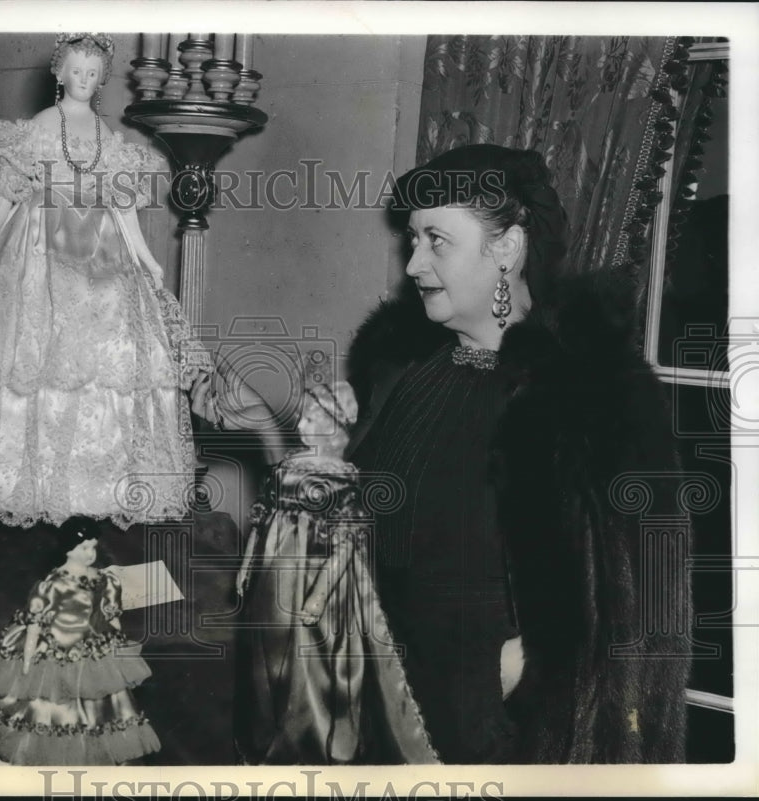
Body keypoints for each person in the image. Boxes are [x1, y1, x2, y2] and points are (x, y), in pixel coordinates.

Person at [192, 144, 691, 763]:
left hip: (482, 730)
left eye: (437, 240)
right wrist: (307, 449)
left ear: (507, 247)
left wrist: (503, 678)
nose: (414, 263)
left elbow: (627, 605)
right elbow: (346, 552)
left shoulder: (586, 394)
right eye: (412, 240)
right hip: (372, 697)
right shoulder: (404, 369)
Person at [0, 33, 210, 530]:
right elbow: (8, 191)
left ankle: (95, 490)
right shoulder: (43, 126)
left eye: (94, 74)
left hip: (99, 249)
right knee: (28, 353)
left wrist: (148, 259)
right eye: (77, 71)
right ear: (60, 73)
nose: (85, 81)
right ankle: (29, 485)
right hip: (39, 247)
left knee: (107, 360)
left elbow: (121, 206)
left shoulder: (105, 135)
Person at [233, 380, 438, 765]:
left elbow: (347, 542)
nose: (303, 423)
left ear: (337, 426)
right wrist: (246, 567)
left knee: (311, 669)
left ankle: (313, 746)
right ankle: (268, 736)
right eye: (303, 415)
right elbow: (261, 521)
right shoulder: (286, 468)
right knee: (269, 658)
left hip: (315, 583)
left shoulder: (341, 479)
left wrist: (320, 594)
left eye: (314, 416)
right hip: (273, 579)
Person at [0, 536, 161, 765]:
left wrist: (116, 643)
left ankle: (93, 751)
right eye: (84, 547)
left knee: (100, 701)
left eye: (93, 547)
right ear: (68, 550)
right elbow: (35, 625)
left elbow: (111, 615)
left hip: (92, 648)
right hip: (53, 649)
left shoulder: (105, 580)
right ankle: (36, 752)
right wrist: (27, 661)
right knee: (44, 703)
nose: (90, 553)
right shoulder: (52, 584)